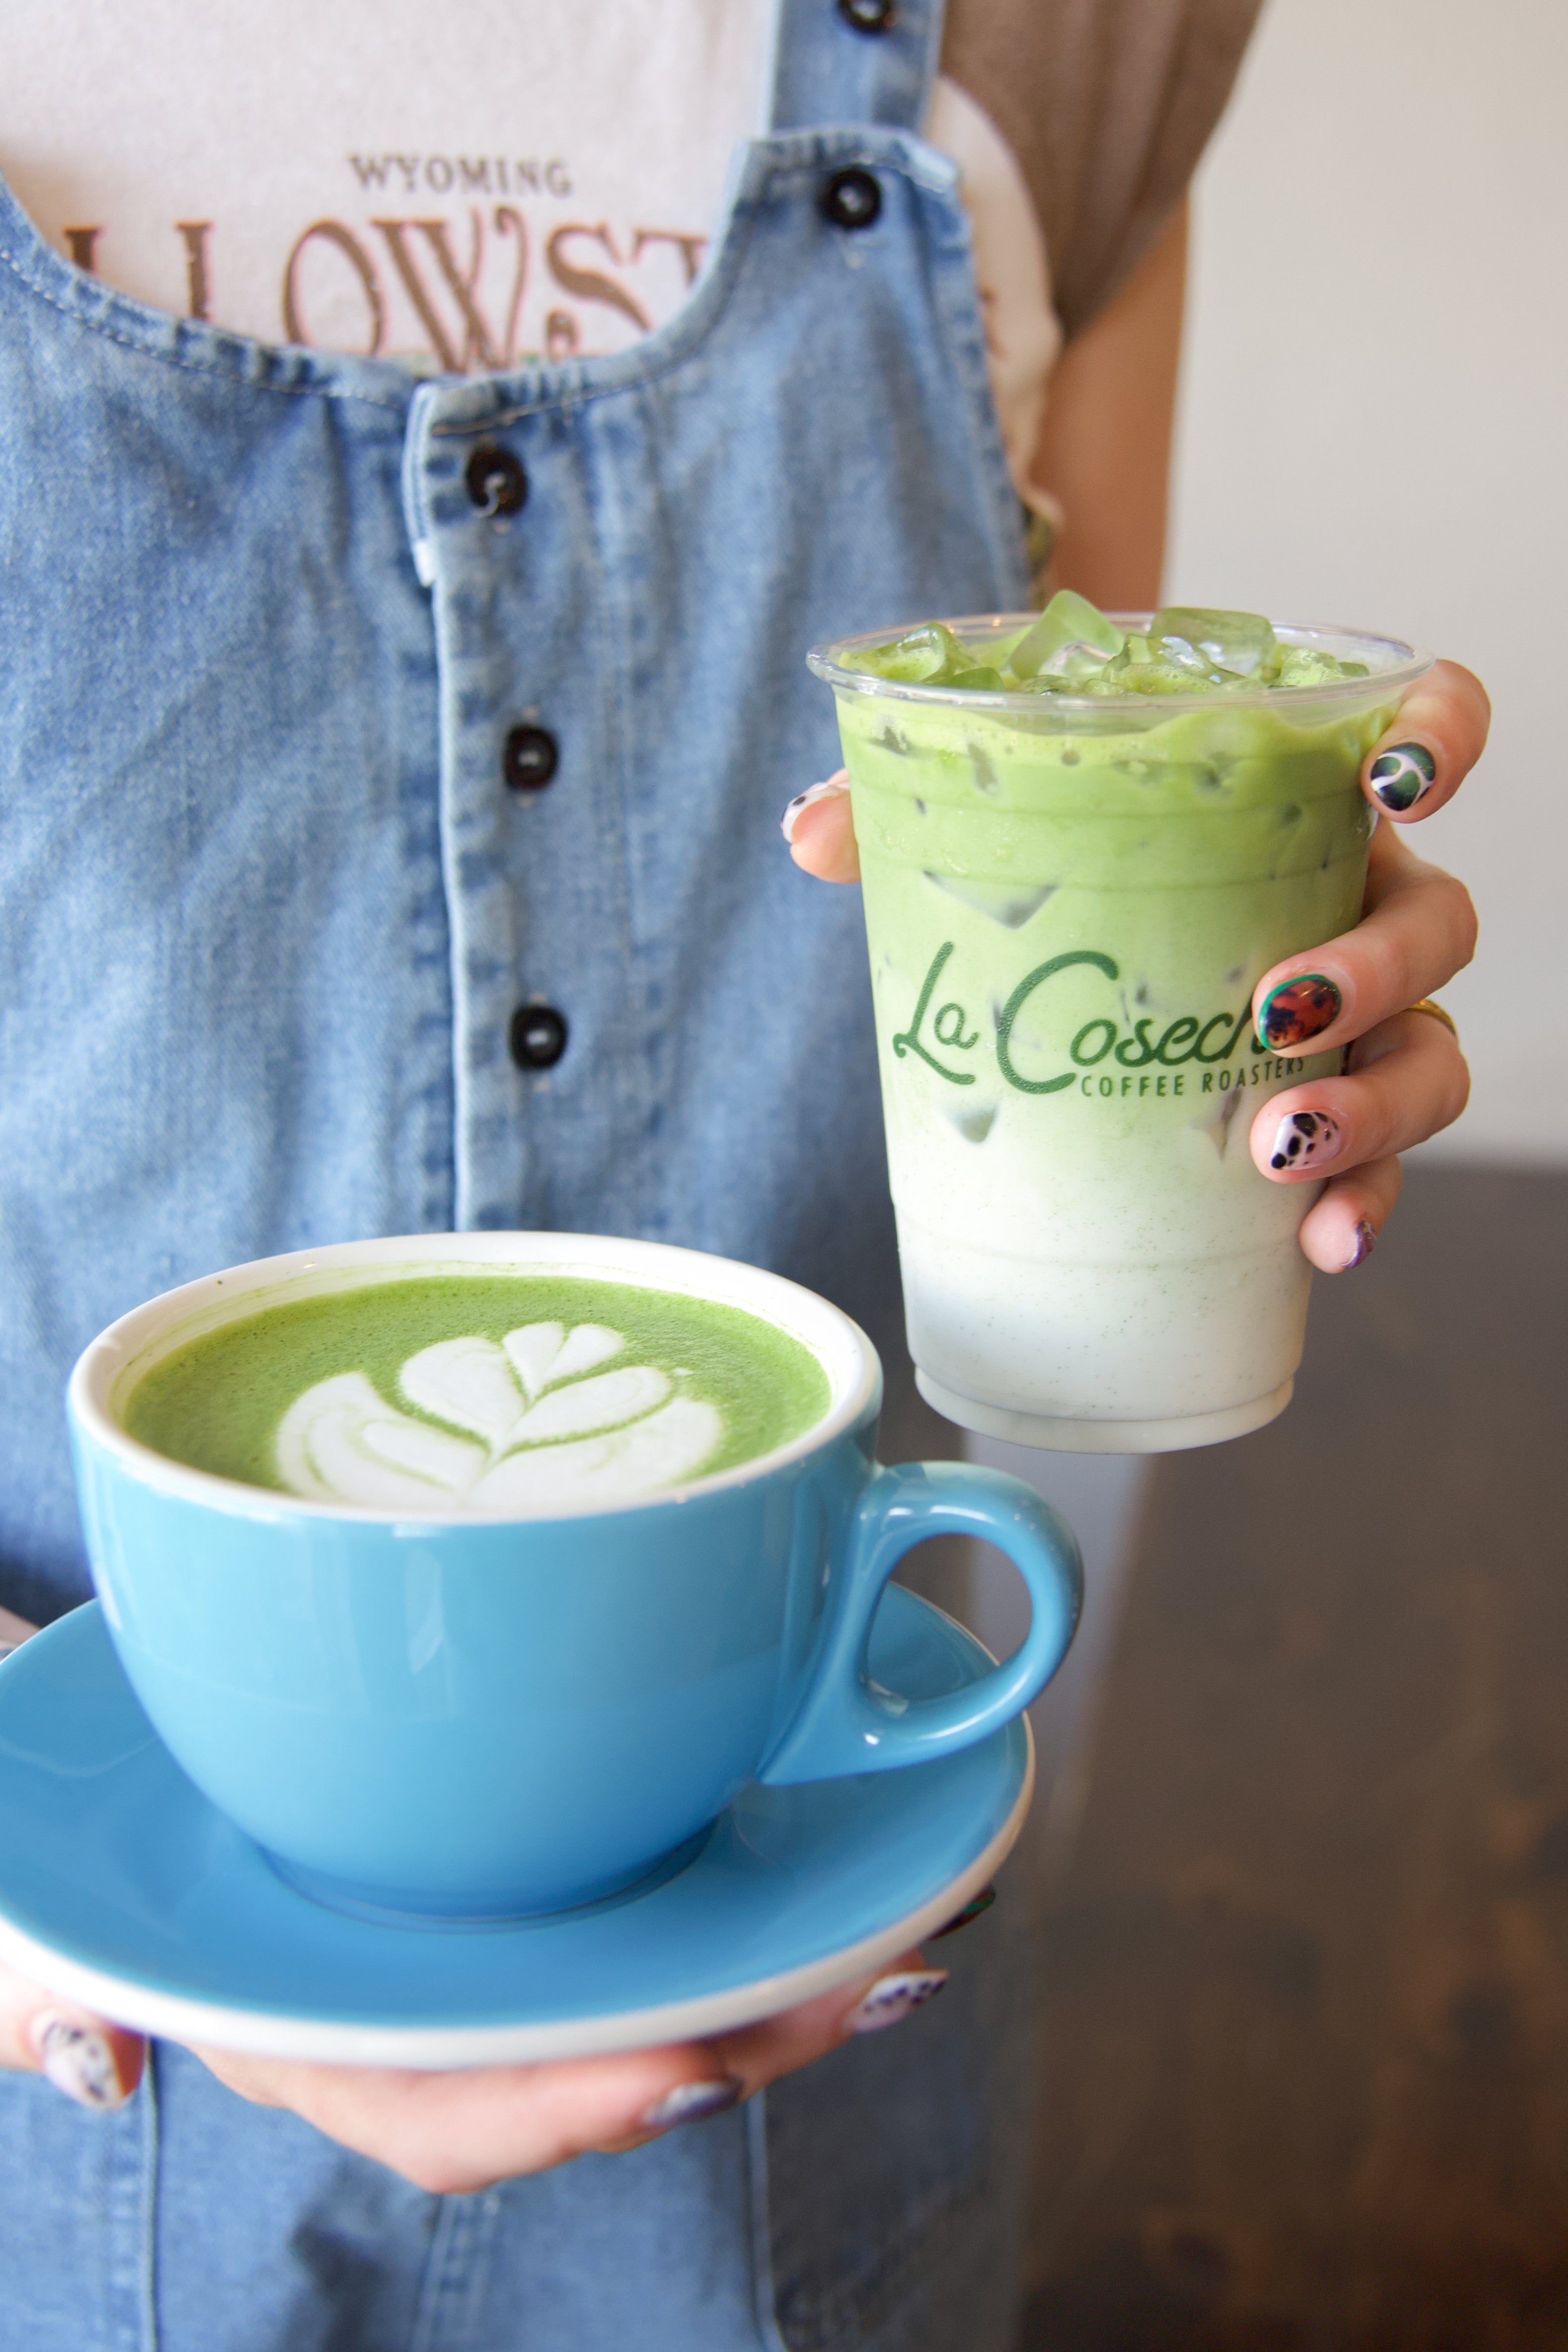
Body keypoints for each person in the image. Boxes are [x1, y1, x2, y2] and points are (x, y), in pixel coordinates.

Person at [0, 2, 1485, 2345]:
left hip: (821, 2078)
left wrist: (1253, 982)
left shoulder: (1067, 46)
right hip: (76, 2140)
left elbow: (1093, 866)